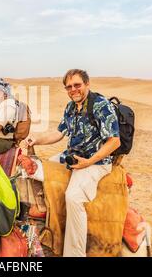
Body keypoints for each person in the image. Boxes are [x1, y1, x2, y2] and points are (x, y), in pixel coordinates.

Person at [25, 69, 121, 257]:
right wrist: (36, 140)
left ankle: (75, 253)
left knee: (73, 197)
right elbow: (59, 133)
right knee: (35, 170)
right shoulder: (70, 107)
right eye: (69, 87)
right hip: (72, 156)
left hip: (96, 162)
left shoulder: (101, 105)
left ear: (87, 84)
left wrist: (89, 162)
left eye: (77, 85)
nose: (73, 89)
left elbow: (114, 141)